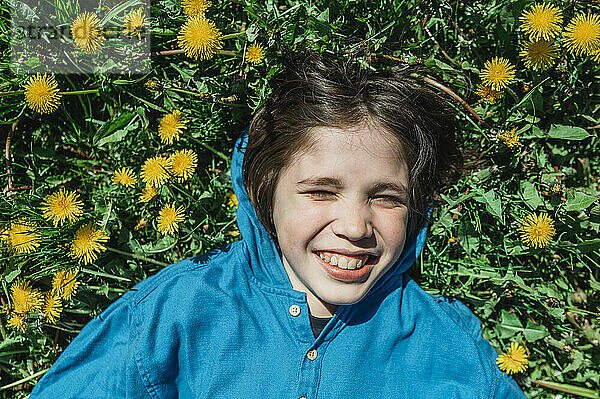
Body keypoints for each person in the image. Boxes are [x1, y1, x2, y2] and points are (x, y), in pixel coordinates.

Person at [30, 48, 527, 398]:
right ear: (264, 192)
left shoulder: (448, 350)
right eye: (320, 191)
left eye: (387, 198)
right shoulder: (178, 311)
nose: (355, 225)